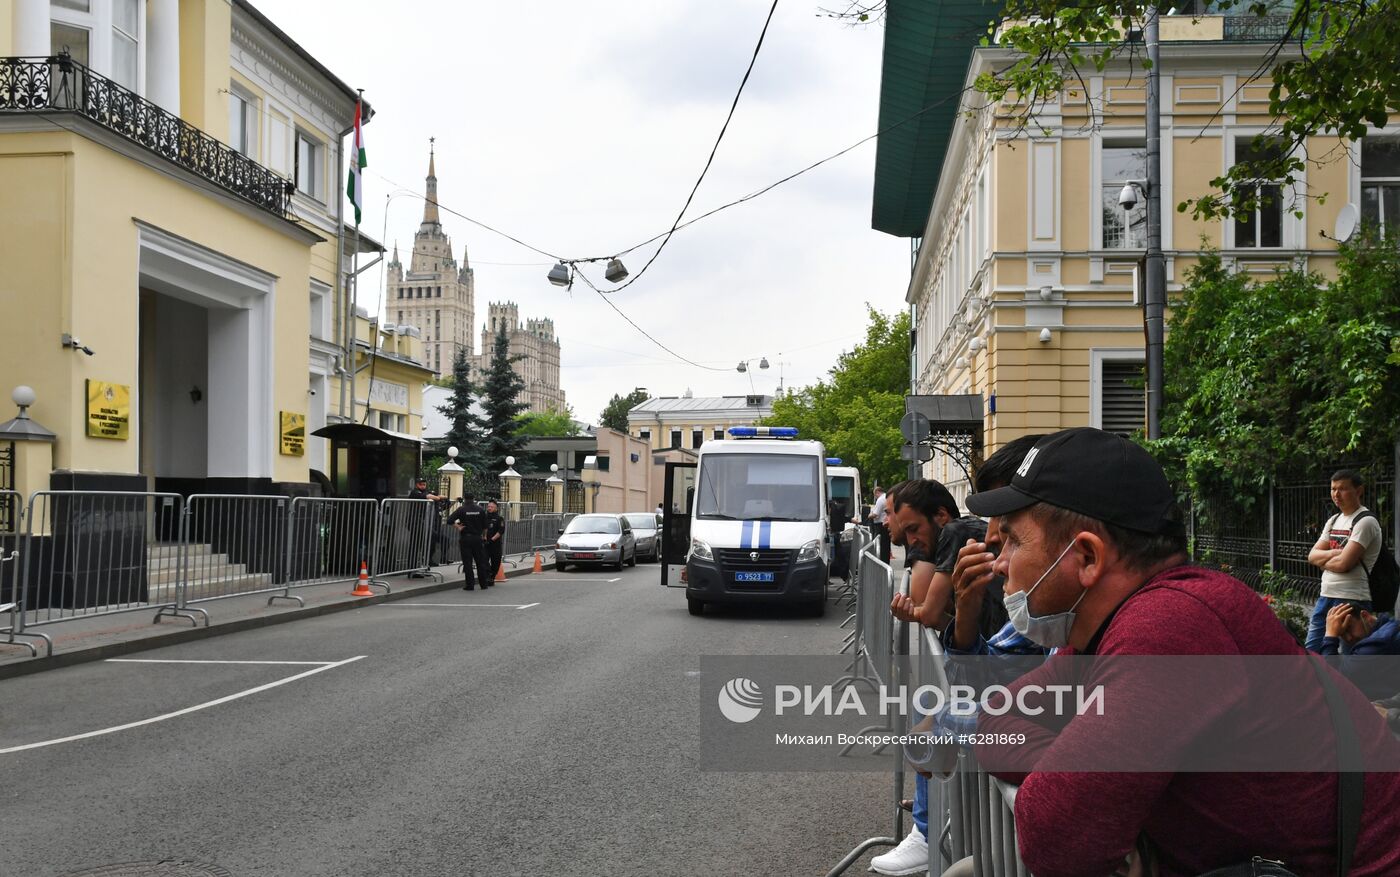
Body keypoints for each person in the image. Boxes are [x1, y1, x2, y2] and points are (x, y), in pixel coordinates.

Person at [963, 427, 1400, 877]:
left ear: (1088, 557)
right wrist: (1076, 772)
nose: (999, 564)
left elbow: (1057, 840)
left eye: (1013, 541)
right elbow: (996, 717)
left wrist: (1092, 786)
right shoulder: (1115, 627)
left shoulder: (1169, 627)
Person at [1305, 469, 1382, 652]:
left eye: (1342, 489)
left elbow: (1344, 564)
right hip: (1326, 594)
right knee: (1312, 650)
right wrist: (1334, 554)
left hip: (1352, 599)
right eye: (1333, 489)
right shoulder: (1333, 520)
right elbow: (1311, 556)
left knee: (1350, 656)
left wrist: (1326, 559)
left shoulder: (1366, 521)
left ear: (1359, 491)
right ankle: (1316, 682)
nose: (1336, 494)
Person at [1318, 602, 1400, 699]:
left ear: (1365, 615)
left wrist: (1330, 635)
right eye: (1341, 634)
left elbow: (1332, 679)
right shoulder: (1389, 626)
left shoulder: (1375, 645)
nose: (1348, 638)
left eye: (1348, 628)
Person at [446, 494, 492, 590]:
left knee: (467, 563)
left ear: (465, 499)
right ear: (473, 499)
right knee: (480, 562)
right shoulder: (480, 509)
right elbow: (485, 526)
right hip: (477, 538)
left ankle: (470, 585)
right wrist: (484, 536)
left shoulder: (462, 509)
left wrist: (458, 527)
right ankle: (483, 584)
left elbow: (449, 520)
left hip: (466, 538)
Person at [484, 500, 506, 582]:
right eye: (488, 506)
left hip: (495, 543)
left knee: (496, 562)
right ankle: (487, 575)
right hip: (485, 543)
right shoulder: (484, 517)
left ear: (496, 508)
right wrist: (484, 538)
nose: (489, 508)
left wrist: (492, 539)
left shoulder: (499, 519)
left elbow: (501, 531)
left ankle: (492, 577)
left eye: (491, 507)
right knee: (484, 560)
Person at [869, 486, 891, 564]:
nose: (875, 497)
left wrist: (869, 515)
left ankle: (881, 562)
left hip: (880, 525)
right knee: (886, 546)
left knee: (881, 545)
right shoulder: (886, 497)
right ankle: (885, 562)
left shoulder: (880, 499)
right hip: (886, 524)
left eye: (875, 495)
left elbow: (875, 514)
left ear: (877, 492)